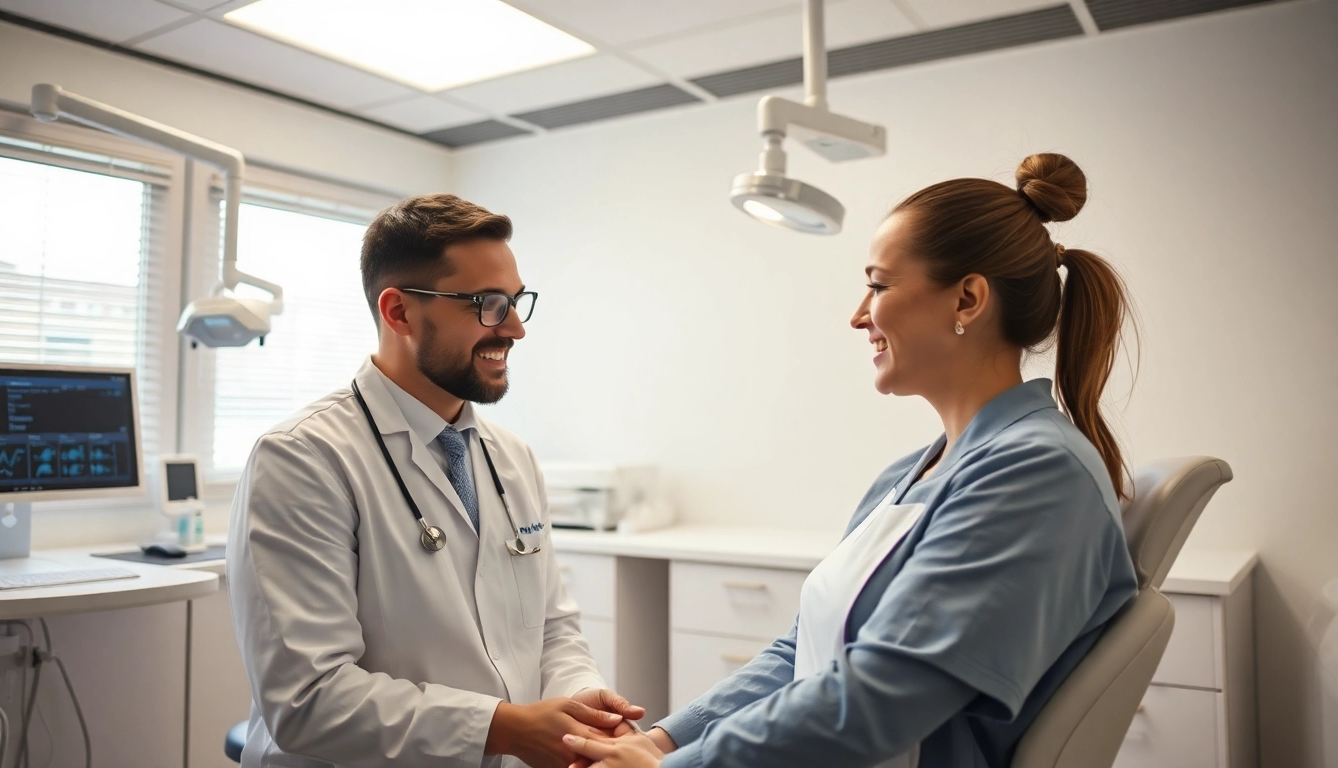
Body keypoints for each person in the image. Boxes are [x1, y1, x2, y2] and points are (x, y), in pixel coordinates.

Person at [562, 153, 1140, 768]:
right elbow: (802, 653)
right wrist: (666, 739)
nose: (859, 314)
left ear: (968, 299)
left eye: (879, 285)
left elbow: (885, 696)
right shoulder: (908, 476)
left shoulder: (1034, 472)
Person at [227, 193, 643, 768]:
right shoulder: (303, 458)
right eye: (488, 304)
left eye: (516, 301)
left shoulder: (511, 457)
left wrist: (580, 710)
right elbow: (307, 700)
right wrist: (503, 728)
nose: (515, 329)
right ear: (398, 312)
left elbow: (551, 629)